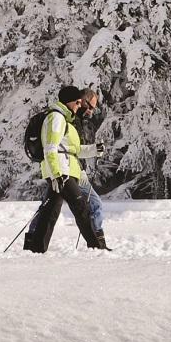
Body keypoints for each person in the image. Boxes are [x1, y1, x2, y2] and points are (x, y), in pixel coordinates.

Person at [23, 85, 108, 253]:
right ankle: (97, 247)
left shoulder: (65, 119)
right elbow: (51, 148)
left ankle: (35, 249)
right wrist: (56, 175)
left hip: (67, 170)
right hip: (61, 171)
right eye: (78, 102)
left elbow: (72, 150)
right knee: (80, 206)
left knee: (50, 211)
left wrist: (93, 150)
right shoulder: (56, 118)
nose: (79, 106)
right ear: (71, 102)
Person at [77, 88, 110, 249]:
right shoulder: (72, 121)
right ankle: (99, 244)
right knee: (95, 204)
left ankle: (33, 241)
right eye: (90, 106)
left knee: (48, 210)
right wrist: (92, 150)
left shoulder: (78, 121)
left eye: (93, 108)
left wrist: (93, 149)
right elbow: (72, 149)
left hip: (73, 170)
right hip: (71, 171)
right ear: (82, 100)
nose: (91, 111)